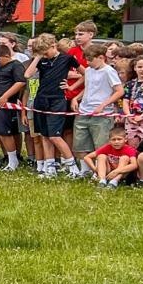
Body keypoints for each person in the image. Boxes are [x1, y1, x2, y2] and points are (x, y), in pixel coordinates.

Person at [25, 35, 83, 178]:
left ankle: (73, 168)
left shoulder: (67, 58)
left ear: (53, 46)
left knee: (55, 135)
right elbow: (27, 74)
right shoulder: (42, 60)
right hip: (41, 99)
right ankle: (50, 168)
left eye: (46, 52)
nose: (45, 55)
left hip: (57, 100)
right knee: (45, 135)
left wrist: (71, 87)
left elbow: (86, 74)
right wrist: (38, 57)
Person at [74, 42, 124, 162]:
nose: (87, 63)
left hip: (102, 114)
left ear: (101, 57)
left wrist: (103, 105)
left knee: (101, 146)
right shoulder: (88, 70)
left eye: (90, 60)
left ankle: (100, 168)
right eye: (86, 60)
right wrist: (76, 98)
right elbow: (89, 87)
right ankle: (85, 169)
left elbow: (119, 91)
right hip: (84, 111)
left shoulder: (109, 71)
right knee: (80, 145)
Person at [0, 42, 28, 169]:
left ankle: (13, 160)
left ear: (5, 56)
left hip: (5, 104)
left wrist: (5, 96)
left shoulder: (16, 65)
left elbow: (21, 82)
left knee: (4, 132)